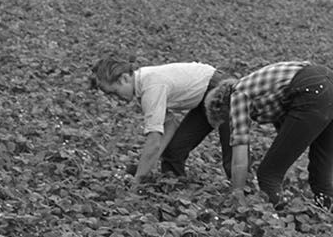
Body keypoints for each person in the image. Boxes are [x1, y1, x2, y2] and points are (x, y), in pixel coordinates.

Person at [203, 61, 333, 210]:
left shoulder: (237, 95)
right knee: (320, 173)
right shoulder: (260, 90)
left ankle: (280, 218)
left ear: (222, 107)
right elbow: (287, 141)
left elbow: (240, 159)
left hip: (312, 88)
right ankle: (331, 215)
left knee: (267, 175)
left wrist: (238, 192)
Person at [88, 54, 232, 186]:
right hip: (203, 96)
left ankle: (244, 197)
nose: (115, 98)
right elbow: (169, 126)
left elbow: (154, 141)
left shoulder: (151, 87)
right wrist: (146, 166)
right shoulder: (143, 86)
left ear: (124, 78)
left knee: (233, 152)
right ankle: (175, 193)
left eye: (114, 92)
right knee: (173, 152)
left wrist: (137, 180)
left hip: (221, 89)